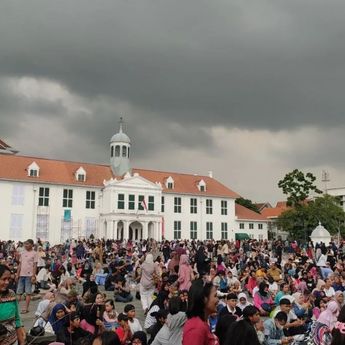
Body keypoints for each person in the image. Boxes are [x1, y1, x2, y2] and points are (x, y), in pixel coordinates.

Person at [182, 280, 219, 345]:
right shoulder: (196, 328)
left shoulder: (203, 322)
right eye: (215, 296)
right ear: (204, 299)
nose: (218, 300)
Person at [0, 264, 26, 345]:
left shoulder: (11, 294)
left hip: (13, 341)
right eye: (4, 279)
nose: (7, 282)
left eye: (9, 279)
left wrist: (21, 342)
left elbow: (17, 319)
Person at [15, 239, 38, 313]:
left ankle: (26, 308)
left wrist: (33, 275)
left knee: (28, 292)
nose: (26, 245)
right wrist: (17, 274)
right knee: (18, 292)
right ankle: (15, 308)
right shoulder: (23, 253)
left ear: (32, 244)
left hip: (29, 275)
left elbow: (35, 265)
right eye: (25, 244)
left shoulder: (34, 253)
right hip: (21, 275)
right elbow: (20, 264)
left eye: (27, 244)